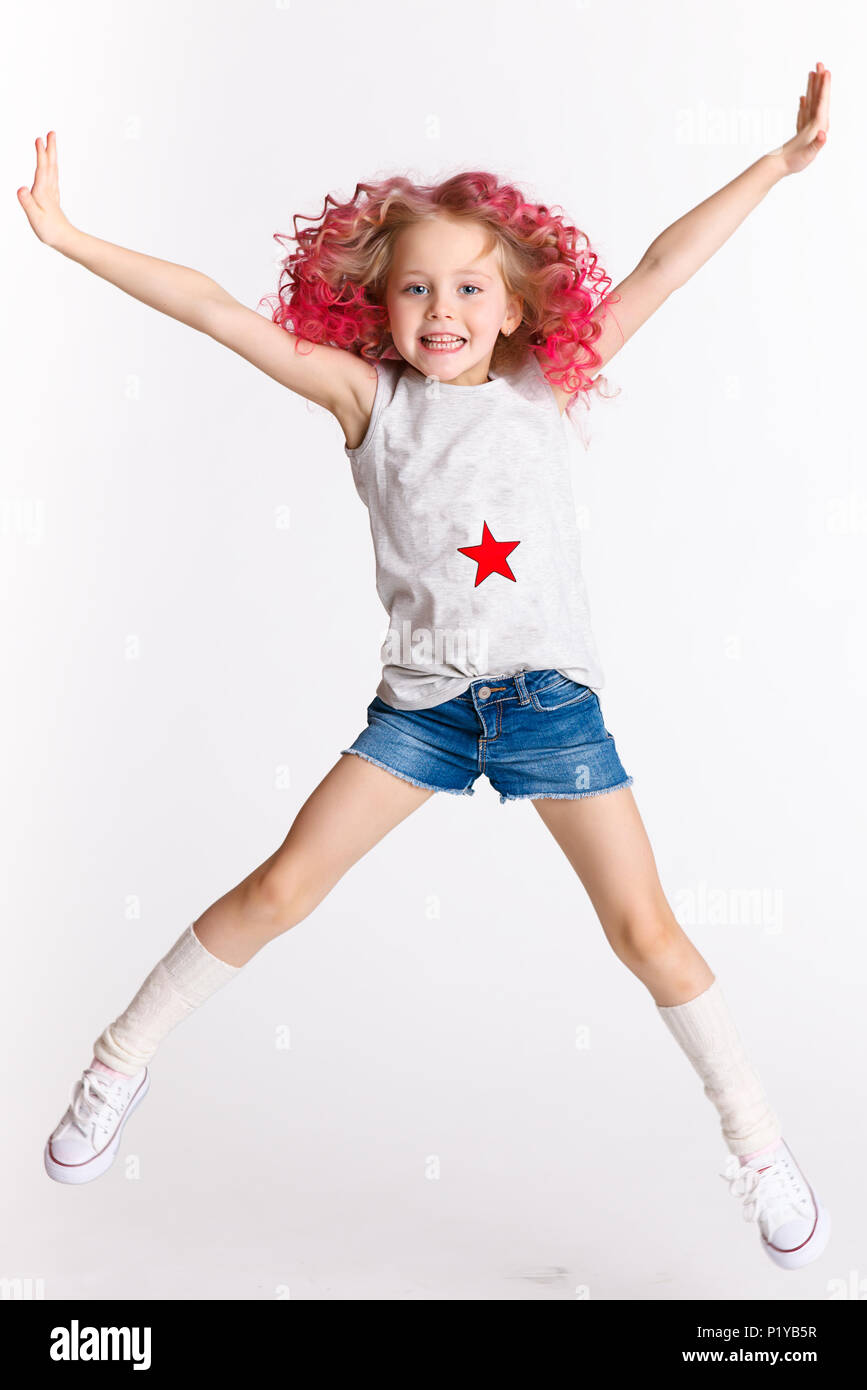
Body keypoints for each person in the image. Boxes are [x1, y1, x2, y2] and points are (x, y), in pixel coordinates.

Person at [22, 62, 832, 1270]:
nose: (441, 309)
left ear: (514, 307)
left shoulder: (547, 382)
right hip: (423, 712)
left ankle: (760, 1144)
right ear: (376, 308)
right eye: (414, 289)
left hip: (550, 706)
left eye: (467, 287)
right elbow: (213, 310)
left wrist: (773, 163)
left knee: (646, 931)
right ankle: (115, 1064)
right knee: (283, 890)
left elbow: (663, 264)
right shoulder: (367, 402)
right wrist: (71, 237)